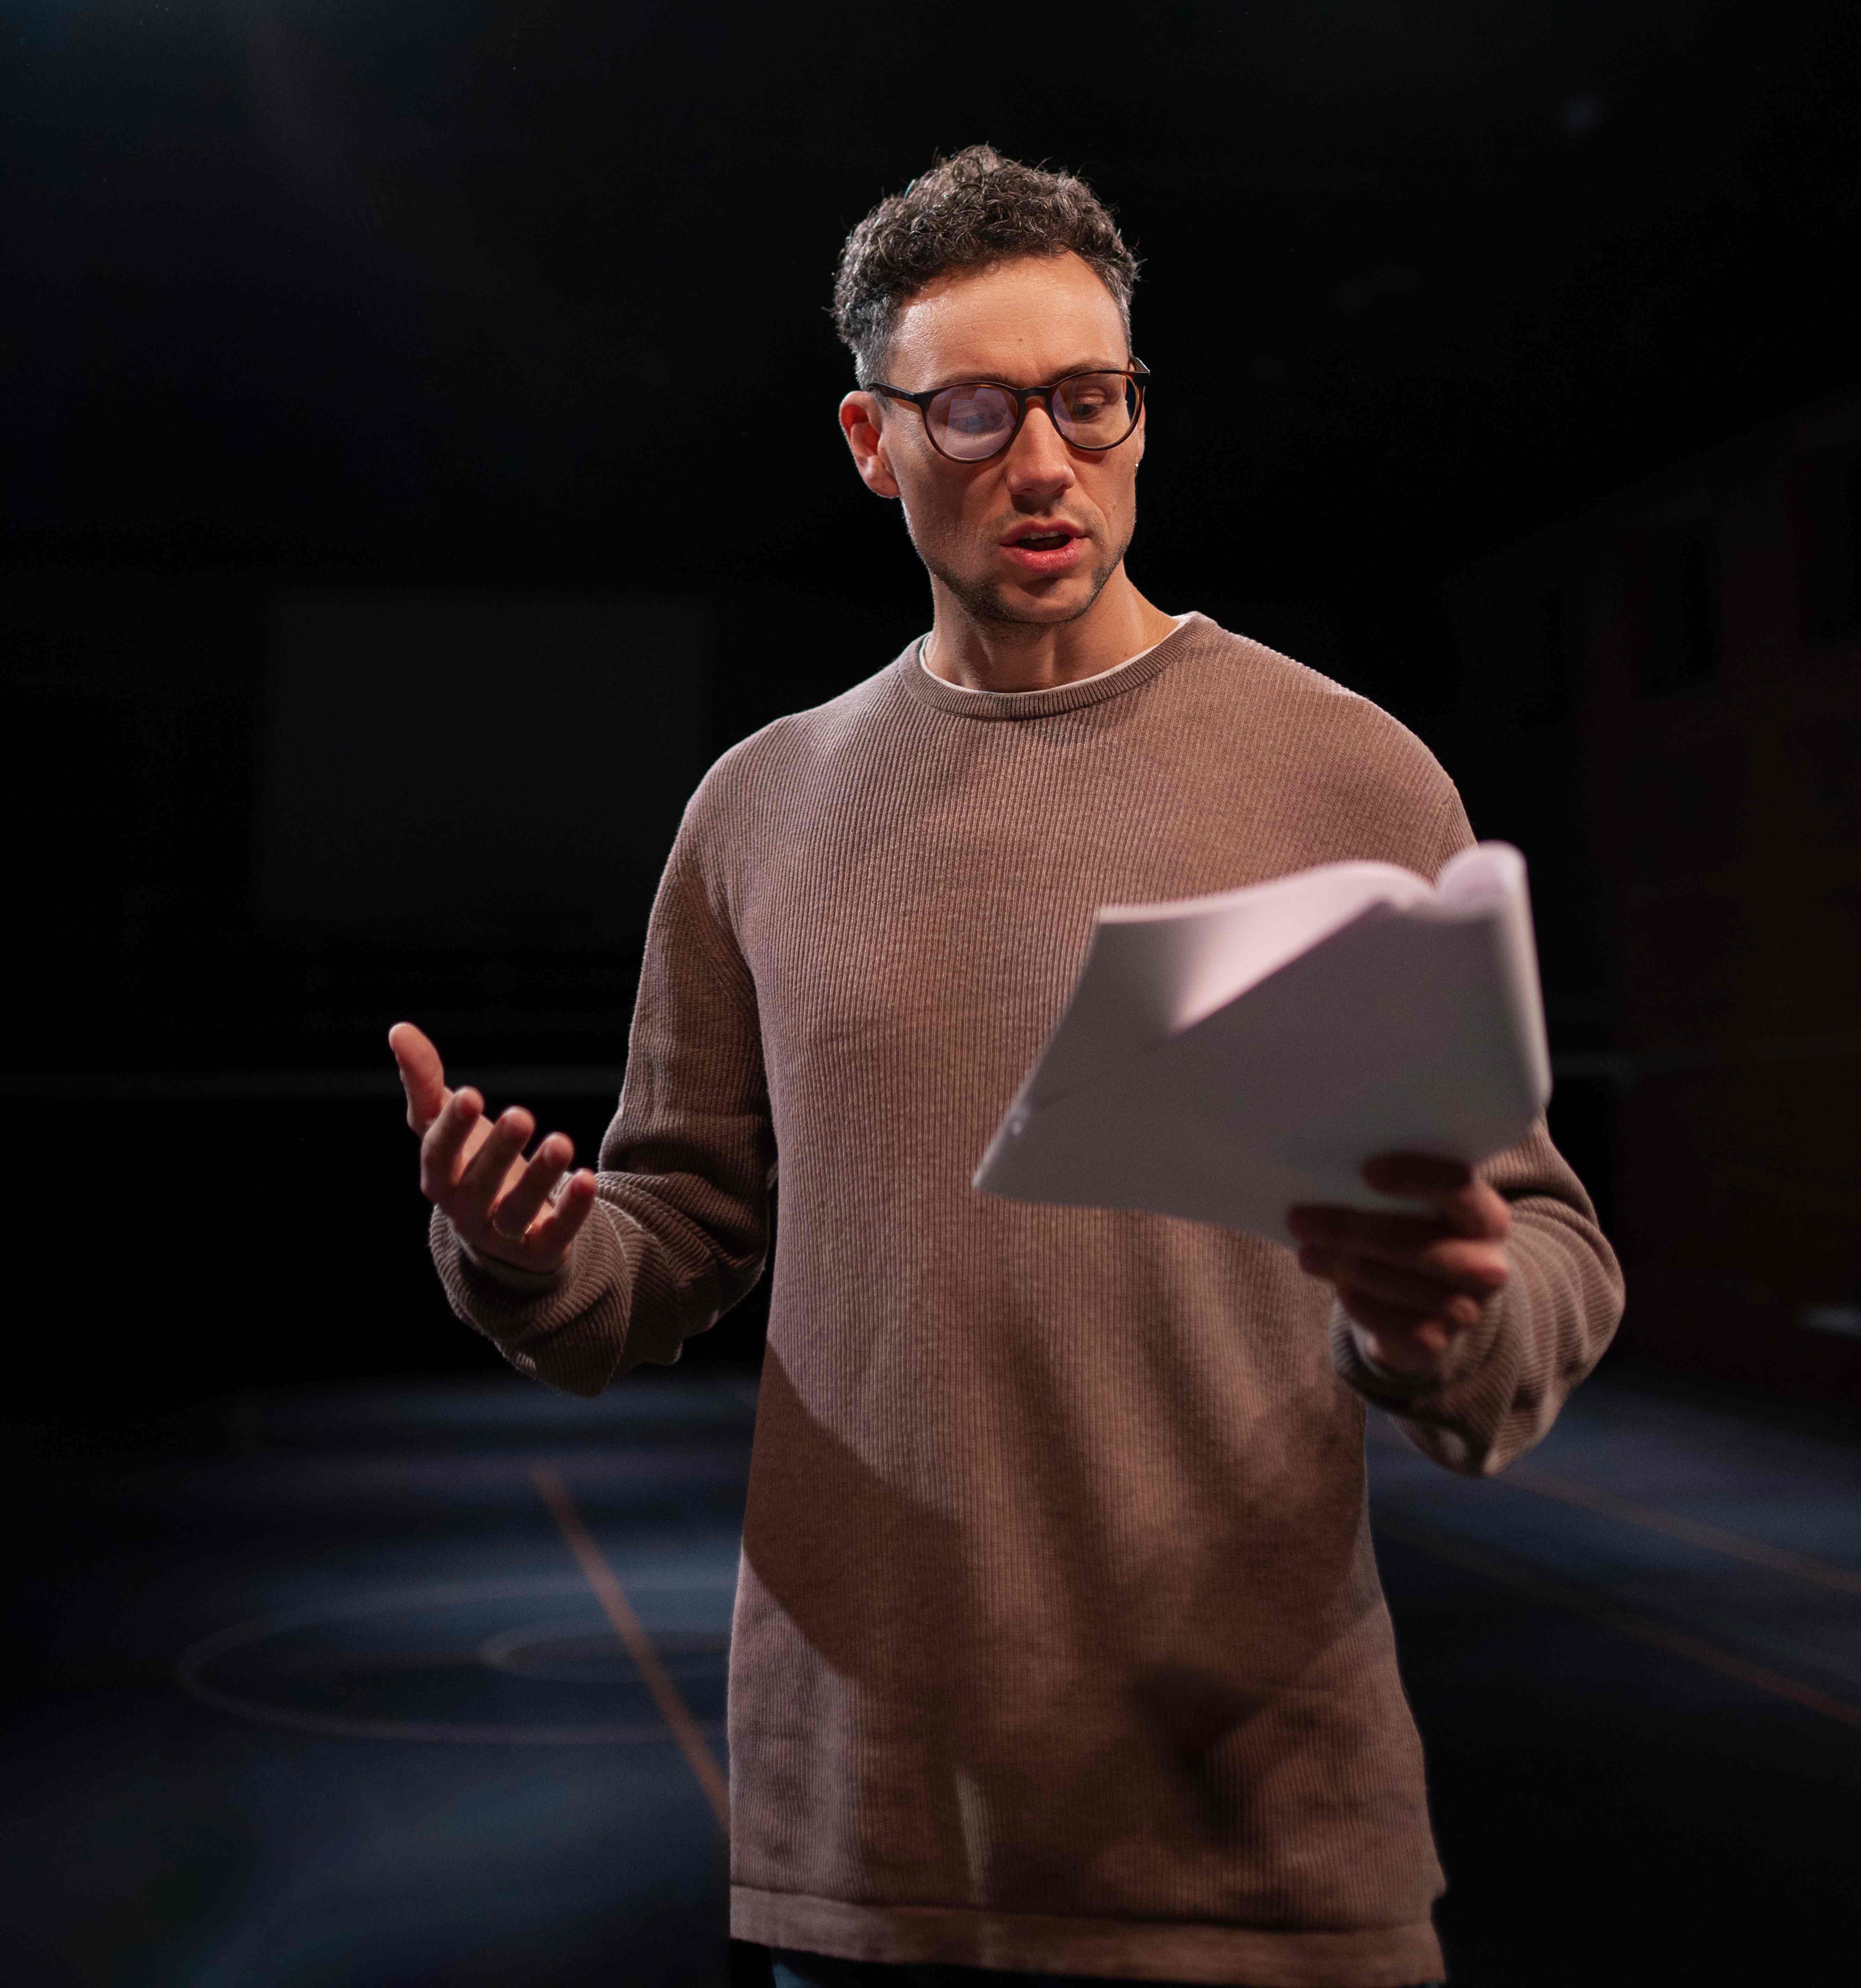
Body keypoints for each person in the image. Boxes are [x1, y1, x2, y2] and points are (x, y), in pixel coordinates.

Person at [391, 146, 1623, 1988]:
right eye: (971, 410)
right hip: (872, 1845)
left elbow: (1540, 1253)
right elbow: (663, 1242)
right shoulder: (759, 809)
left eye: (1086, 400)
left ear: (1137, 411)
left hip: (1260, 1840)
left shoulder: (1345, 779)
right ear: (870, 440)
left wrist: (1447, 1318)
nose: (1040, 462)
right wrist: (529, 1252)